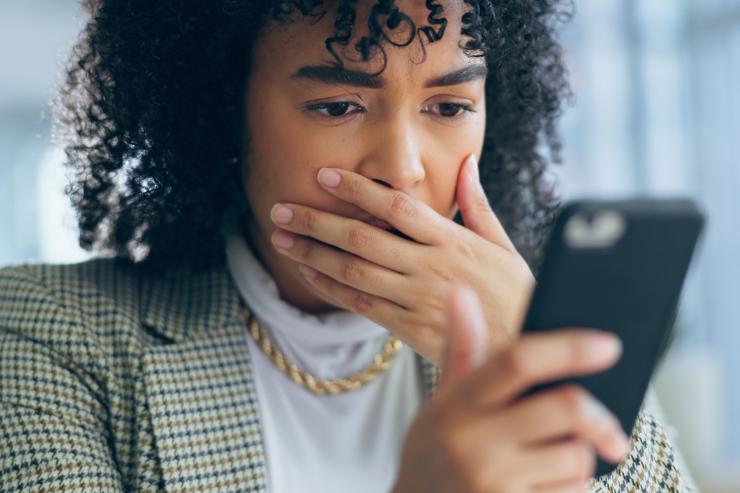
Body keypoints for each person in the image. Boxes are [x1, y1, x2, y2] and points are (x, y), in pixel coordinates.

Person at [0, 1, 698, 492]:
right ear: (220, 114)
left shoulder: (537, 320)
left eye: (449, 107)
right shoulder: (43, 334)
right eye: (338, 106)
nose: (401, 165)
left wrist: (542, 366)